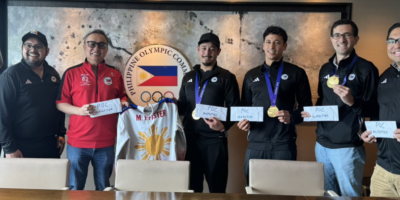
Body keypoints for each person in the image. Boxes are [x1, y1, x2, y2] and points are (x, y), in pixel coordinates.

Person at [302, 19, 379, 196]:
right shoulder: (325, 69)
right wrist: (313, 113)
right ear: (331, 39)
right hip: (321, 145)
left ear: (356, 39)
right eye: (337, 35)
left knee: (348, 196)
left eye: (347, 35)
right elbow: (322, 100)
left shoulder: (366, 69)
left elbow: (374, 108)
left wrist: (352, 101)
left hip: (348, 147)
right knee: (327, 194)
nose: (341, 40)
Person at [237, 26, 312, 183]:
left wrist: (291, 117)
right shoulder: (251, 75)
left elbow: (307, 109)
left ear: (284, 46)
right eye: (268, 42)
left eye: (277, 42)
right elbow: (243, 108)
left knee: (284, 190)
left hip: (284, 143)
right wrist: (243, 122)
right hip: (256, 143)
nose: (272, 47)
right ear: (263, 45)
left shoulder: (296, 73)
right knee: (254, 189)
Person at [56, 29, 128, 190]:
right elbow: (60, 103)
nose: (96, 48)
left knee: (104, 188)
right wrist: (79, 111)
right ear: (84, 46)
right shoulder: (71, 73)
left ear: (107, 49)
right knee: (75, 188)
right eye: (92, 44)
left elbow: (123, 97)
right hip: (77, 143)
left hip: (106, 143)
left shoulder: (115, 74)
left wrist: (124, 103)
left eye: (102, 45)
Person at [177, 32, 241, 193]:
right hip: (190, 142)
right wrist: (170, 104)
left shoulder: (227, 77)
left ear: (218, 52)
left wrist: (223, 126)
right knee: (191, 190)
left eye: (212, 49)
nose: (207, 52)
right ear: (198, 50)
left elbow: (235, 109)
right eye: (204, 48)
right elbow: (183, 107)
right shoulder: (188, 77)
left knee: (217, 190)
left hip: (215, 142)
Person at [0, 30, 66, 158]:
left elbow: (59, 106)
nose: (33, 49)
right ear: (22, 49)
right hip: (20, 147)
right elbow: (2, 114)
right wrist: (9, 148)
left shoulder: (53, 74)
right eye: (28, 45)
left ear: (47, 51)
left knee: (51, 179)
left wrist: (60, 133)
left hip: (50, 145)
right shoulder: (11, 76)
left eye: (38, 46)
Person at [361, 22, 400, 197]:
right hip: (383, 170)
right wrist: (371, 131)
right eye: (391, 40)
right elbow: (379, 112)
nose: (396, 45)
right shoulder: (385, 76)